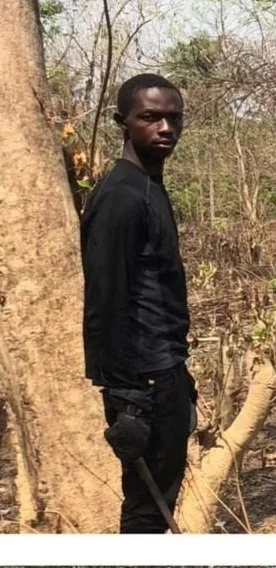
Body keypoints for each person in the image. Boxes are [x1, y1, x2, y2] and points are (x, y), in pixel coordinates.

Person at [79, 74, 194, 533]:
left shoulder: (149, 186)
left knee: (161, 494)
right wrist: (126, 399)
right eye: (150, 117)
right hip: (141, 384)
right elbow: (105, 301)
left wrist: (179, 373)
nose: (165, 128)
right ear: (122, 123)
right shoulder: (120, 197)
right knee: (146, 509)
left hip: (164, 372)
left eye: (173, 118)